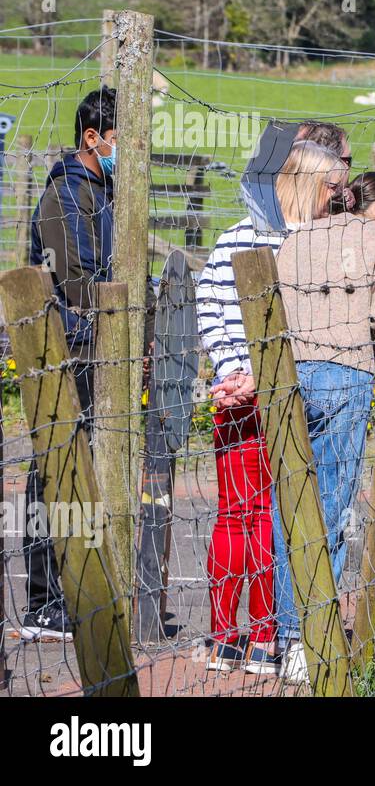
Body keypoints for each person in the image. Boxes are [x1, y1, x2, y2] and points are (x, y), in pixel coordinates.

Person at [197, 129, 352, 675]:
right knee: (271, 513)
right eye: (332, 186)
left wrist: (228, 371)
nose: (338, 196)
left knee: (237, 512)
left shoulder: (233, 237)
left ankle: (223, 637)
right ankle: (264, 635)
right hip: (277, 391)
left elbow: (209, 306)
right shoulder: (302, 245)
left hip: (240, 390)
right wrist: (251, 377)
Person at [20, 87, 153, 641]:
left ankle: (79, 589)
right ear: (92, 138)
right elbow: (78, 281)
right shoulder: (68, 197)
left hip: (103, 348)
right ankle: (43, 600)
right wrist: (116, 325)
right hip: (68, 349)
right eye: (123, 141)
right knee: (57, 466)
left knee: (88, 472)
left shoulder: (108, 192)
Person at [273, 143, 375, 681]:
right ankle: (318, 628)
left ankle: (288, 635)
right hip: (346, 371)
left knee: (292, 505)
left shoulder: (283, 245)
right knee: (336, 502)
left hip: (289, 375)